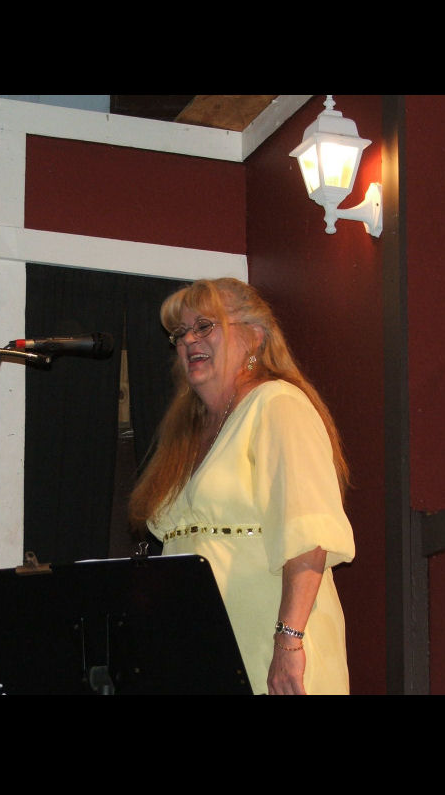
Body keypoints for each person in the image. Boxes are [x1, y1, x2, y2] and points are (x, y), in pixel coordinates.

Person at [128, 278, 355, 695]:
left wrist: (288, 643)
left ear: (254, 336)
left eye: (204, 326)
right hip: (199, 654)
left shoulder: (278, 404)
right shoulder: (186, 434)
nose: (188, 340)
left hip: (269, 651)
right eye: (180, 333)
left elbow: (310, 535)